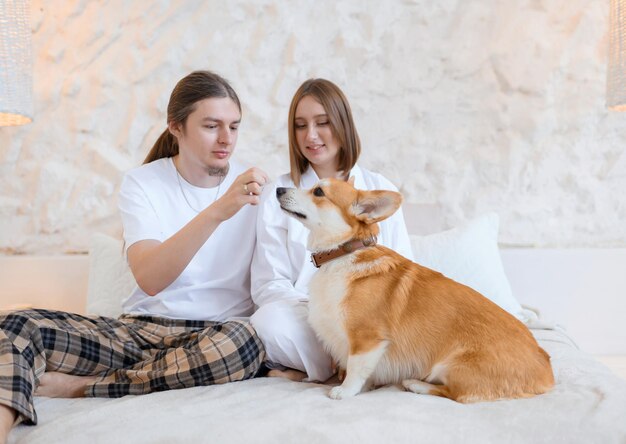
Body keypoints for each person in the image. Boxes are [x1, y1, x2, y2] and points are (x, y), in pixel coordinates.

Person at [0, 70, 268, 443]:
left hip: (214, 335)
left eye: (234, 127)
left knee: (247, 341)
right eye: (211, 125)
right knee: (15, 325)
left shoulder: (258, 188)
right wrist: (219, 210)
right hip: (138, 333)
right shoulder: (143, 182)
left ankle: (84, 386)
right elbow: (151, 278)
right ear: (176, 126)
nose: (226, 139)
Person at [250, 78, 414, 383]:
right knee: (267, 321)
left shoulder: (378, 190)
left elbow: (402, 270)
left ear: (342, 125)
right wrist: (325, 320)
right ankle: (344, 364)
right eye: (300, 126)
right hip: (307, 318)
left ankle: (328, 366)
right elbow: (268, 283)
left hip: (369, 320)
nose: (310, 135)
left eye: (322, 122)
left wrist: (355, 321)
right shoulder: (280, 194)